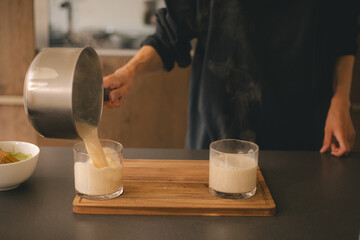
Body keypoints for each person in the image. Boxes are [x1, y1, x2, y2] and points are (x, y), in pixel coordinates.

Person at [103, 0, 359, 157]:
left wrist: (341, 100)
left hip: (300, 133)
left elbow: (342, 34)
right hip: (215, 137)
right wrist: (130, 71)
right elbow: (171, 35)